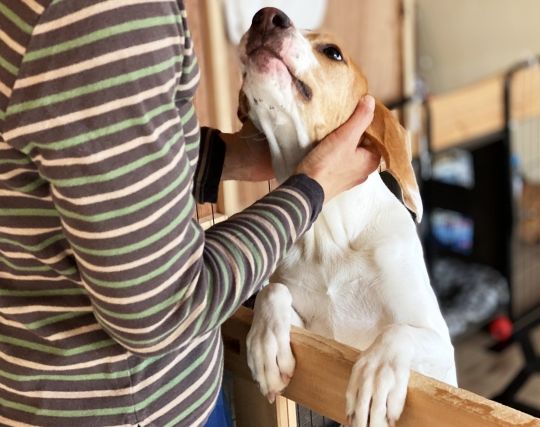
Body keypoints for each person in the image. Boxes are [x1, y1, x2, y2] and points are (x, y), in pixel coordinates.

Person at [0, 1, 379, 426]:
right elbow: (163, 309)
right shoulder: (105, 16)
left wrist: (224, 158)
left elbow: (94, 158)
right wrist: (310, 189)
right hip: (135, 408)